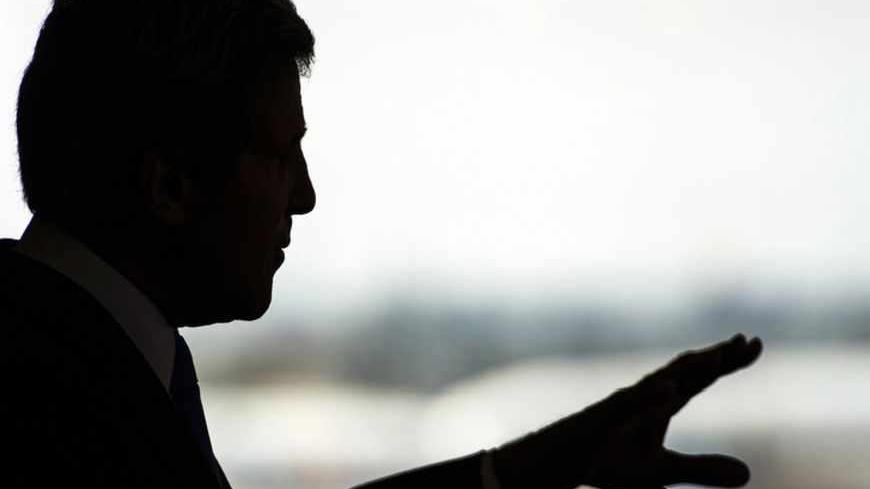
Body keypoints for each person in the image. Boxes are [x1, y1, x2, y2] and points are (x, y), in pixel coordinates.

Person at [0, 0, 763, 488]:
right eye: (280, 154)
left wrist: (542, 462)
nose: (303, 196)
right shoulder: (45, 401)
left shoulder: (98, 344)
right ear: (168, 185)